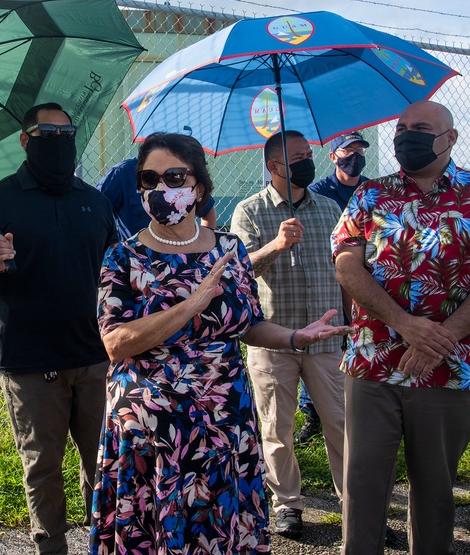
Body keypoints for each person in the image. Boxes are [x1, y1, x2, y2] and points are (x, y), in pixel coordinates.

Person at [90, 132, 345, 554]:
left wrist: (296, 337)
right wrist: (190, 304)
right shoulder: (123, 257)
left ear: (199, 187)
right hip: (155, 430)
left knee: (221, 529)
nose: (160, 188)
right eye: (148, 179)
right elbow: (115, 342)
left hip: (224, 420)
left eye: (173, 176)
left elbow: (247, 324)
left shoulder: (229, 249)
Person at [332, 100, 470, 555]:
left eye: (420, 128)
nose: (407, 135)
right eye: (401, 128)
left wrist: (442, 337)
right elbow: (347, 264)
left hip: (452, 365)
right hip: (373, 362)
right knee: (362, 481)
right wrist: (406, 325)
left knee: (435, 485)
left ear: (450, 138)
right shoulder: (371, 195)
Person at [0, 102, 115, 555]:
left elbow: (114, 272)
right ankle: (51, 547)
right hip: (29, 362)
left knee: (103, 461)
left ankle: (104, 540)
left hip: (94, 356)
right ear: (26, 140)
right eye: (49, 133)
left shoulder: (94, 200)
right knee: (42, 466)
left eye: (69, 134)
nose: (61, 141)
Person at [230, 129, 347, 539]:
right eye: (298, 156)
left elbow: (346, 270)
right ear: (274, 166)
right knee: (276, 428)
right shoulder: (250, 211)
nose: (307, 161)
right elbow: (239, 272)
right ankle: (288, 505)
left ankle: (355, 505)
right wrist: (277, 244)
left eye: (308, 154)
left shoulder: (330, 209)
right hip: (274, 339)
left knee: (341, 424)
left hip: (328, 339)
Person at [295, 130, 371, 446]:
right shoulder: (319, 192)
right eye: (348, 150)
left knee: (361, 341)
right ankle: (313, 413)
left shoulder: (371, 190)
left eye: (360, 150)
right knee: (322, 341)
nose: (355, 156)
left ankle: (362, 409)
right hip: (327, 279)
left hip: (366, 278)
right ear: (334, 156)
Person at [98, 155, 216, 238]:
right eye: (149, 179)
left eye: (172, 177)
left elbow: (208, 211)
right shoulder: (123, 173)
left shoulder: (184, 171)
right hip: (139, 258)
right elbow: (96, 212)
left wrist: (205, 244)